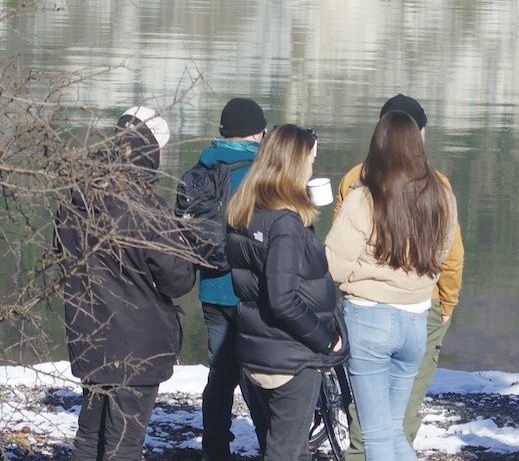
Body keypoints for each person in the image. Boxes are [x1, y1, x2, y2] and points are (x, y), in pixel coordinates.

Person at [56, 106, 197, 461]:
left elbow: (63, 254)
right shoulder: (145, 208)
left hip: (89, 335)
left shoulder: (76, 198)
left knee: (89, 436)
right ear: (150, 152)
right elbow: (178, 278)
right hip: (137, 345)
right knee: (125, 445)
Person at [333, 93, 465, 448]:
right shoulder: (439, 188)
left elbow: (338, 257)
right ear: (418, 135)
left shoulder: (356, 183)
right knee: (398, 421)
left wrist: (352, 289)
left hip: (366, 309)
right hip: (421, 308)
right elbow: (449, 256)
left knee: (369, 425)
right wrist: (447, 303)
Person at [225, 124, 347, 461]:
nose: (312, 169)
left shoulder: (246, 210)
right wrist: (326, 340)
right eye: (310, 161)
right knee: (286, 453)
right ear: (294, 165)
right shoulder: (285, 224)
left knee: (281, 447)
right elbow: (283, 300)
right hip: (291, 358)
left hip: (258, 349)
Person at [192, 97, 269, 461]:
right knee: (261, 374)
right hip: (251, 291)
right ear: (257, 133)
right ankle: (272, 446)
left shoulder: (203, 166)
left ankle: (214, 450)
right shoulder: (262, 174)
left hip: (212, 287)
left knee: (220, 376)